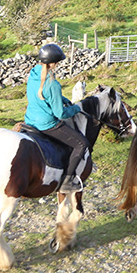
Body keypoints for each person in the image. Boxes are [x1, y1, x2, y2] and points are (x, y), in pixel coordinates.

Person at [24, 43, 88, 193]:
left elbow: (46, 95)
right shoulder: (52, 84)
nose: (58, 65)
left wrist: (62, 98)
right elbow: (61, 114)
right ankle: (67, 180)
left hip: (30, 120)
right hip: (47, 124)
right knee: (81, 144)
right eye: (58, 62)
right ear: (52, 63)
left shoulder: (33, 74)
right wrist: (75, 108)